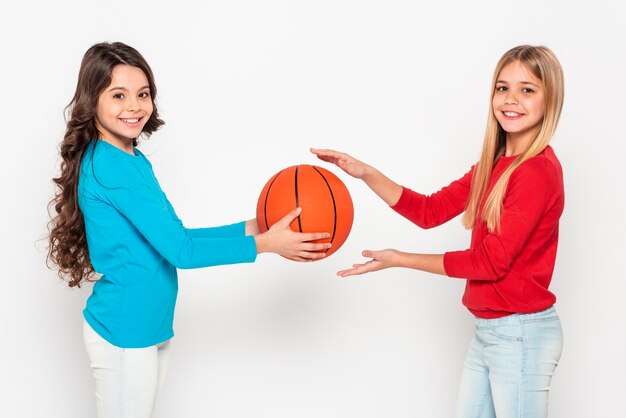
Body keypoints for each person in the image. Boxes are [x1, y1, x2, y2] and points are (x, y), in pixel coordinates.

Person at [47, 41, 331, 418]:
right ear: (91, 100)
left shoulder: (130, 158)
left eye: (143, 94)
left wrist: (254, 226)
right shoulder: (113, 168)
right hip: (124, 331)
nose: (134, 106)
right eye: (119, 95)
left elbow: (176, 238)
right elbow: (182, 253)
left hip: (146, 328)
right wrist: (263, 244)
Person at [312, 45, 565, 417]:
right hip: (489, 331)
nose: (511, 100)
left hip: (521, 335)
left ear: (549, 99)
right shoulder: (494, 164)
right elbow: (429, 211)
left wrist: (400, 259)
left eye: (527, 89)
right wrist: (366, 173)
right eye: (502, 88)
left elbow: (490, 263)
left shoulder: (537, 171)